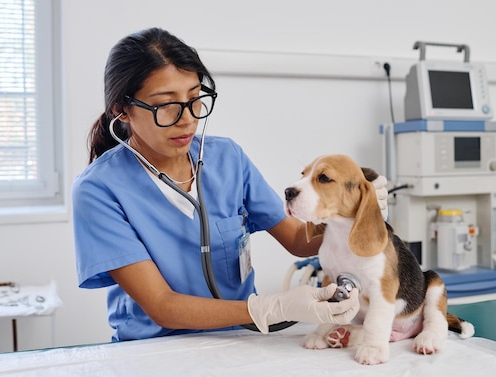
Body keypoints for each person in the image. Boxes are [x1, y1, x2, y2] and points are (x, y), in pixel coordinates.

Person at [72, 27, 388, 342]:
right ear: (122, 110)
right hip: (154, 351)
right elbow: (162, 305)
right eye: (166, 104)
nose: (187, 119)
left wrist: (353, 213)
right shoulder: (99, 190)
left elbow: (297, 238)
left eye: (195, 99)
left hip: (239, 341)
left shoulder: (227, 159)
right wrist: (270, 308)